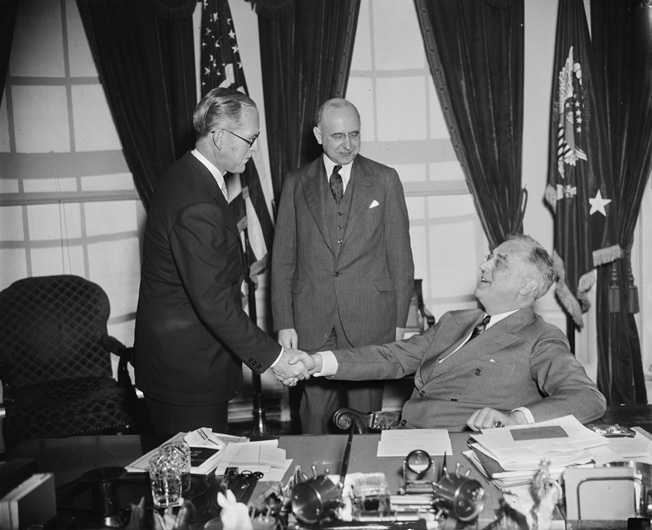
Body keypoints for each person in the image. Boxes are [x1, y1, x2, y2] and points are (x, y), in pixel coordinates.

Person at [287, 234, 607, 431]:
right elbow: (394, 356)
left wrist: (516, 420)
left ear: (527, 286)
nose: (484, 266)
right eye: (488, 258)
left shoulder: (540, 336)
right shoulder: (455, 320)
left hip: (460, 447)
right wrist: (317, 362)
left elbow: (587, 397)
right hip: (409, 434)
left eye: (499, 263)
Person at [134, 87, 308, 434]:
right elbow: (214, 303)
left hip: (184, 365)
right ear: (218, 137)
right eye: (250, 138)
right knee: (194, 483)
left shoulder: (188, 175)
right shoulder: (197, 201)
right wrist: (276, 359)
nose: (255, 148)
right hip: (187, 375)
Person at [271, 98, 415, 434]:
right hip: (312, 318)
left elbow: (401, 259)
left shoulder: (385, 179)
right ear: (319, 135)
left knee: (365, 421)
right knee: (313, 418)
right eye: (338, 136)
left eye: (354, 134)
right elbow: (283, 259)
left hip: (370, 320)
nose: (348, 144)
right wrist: (284, 322)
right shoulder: (295, 183)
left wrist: (398, 325)